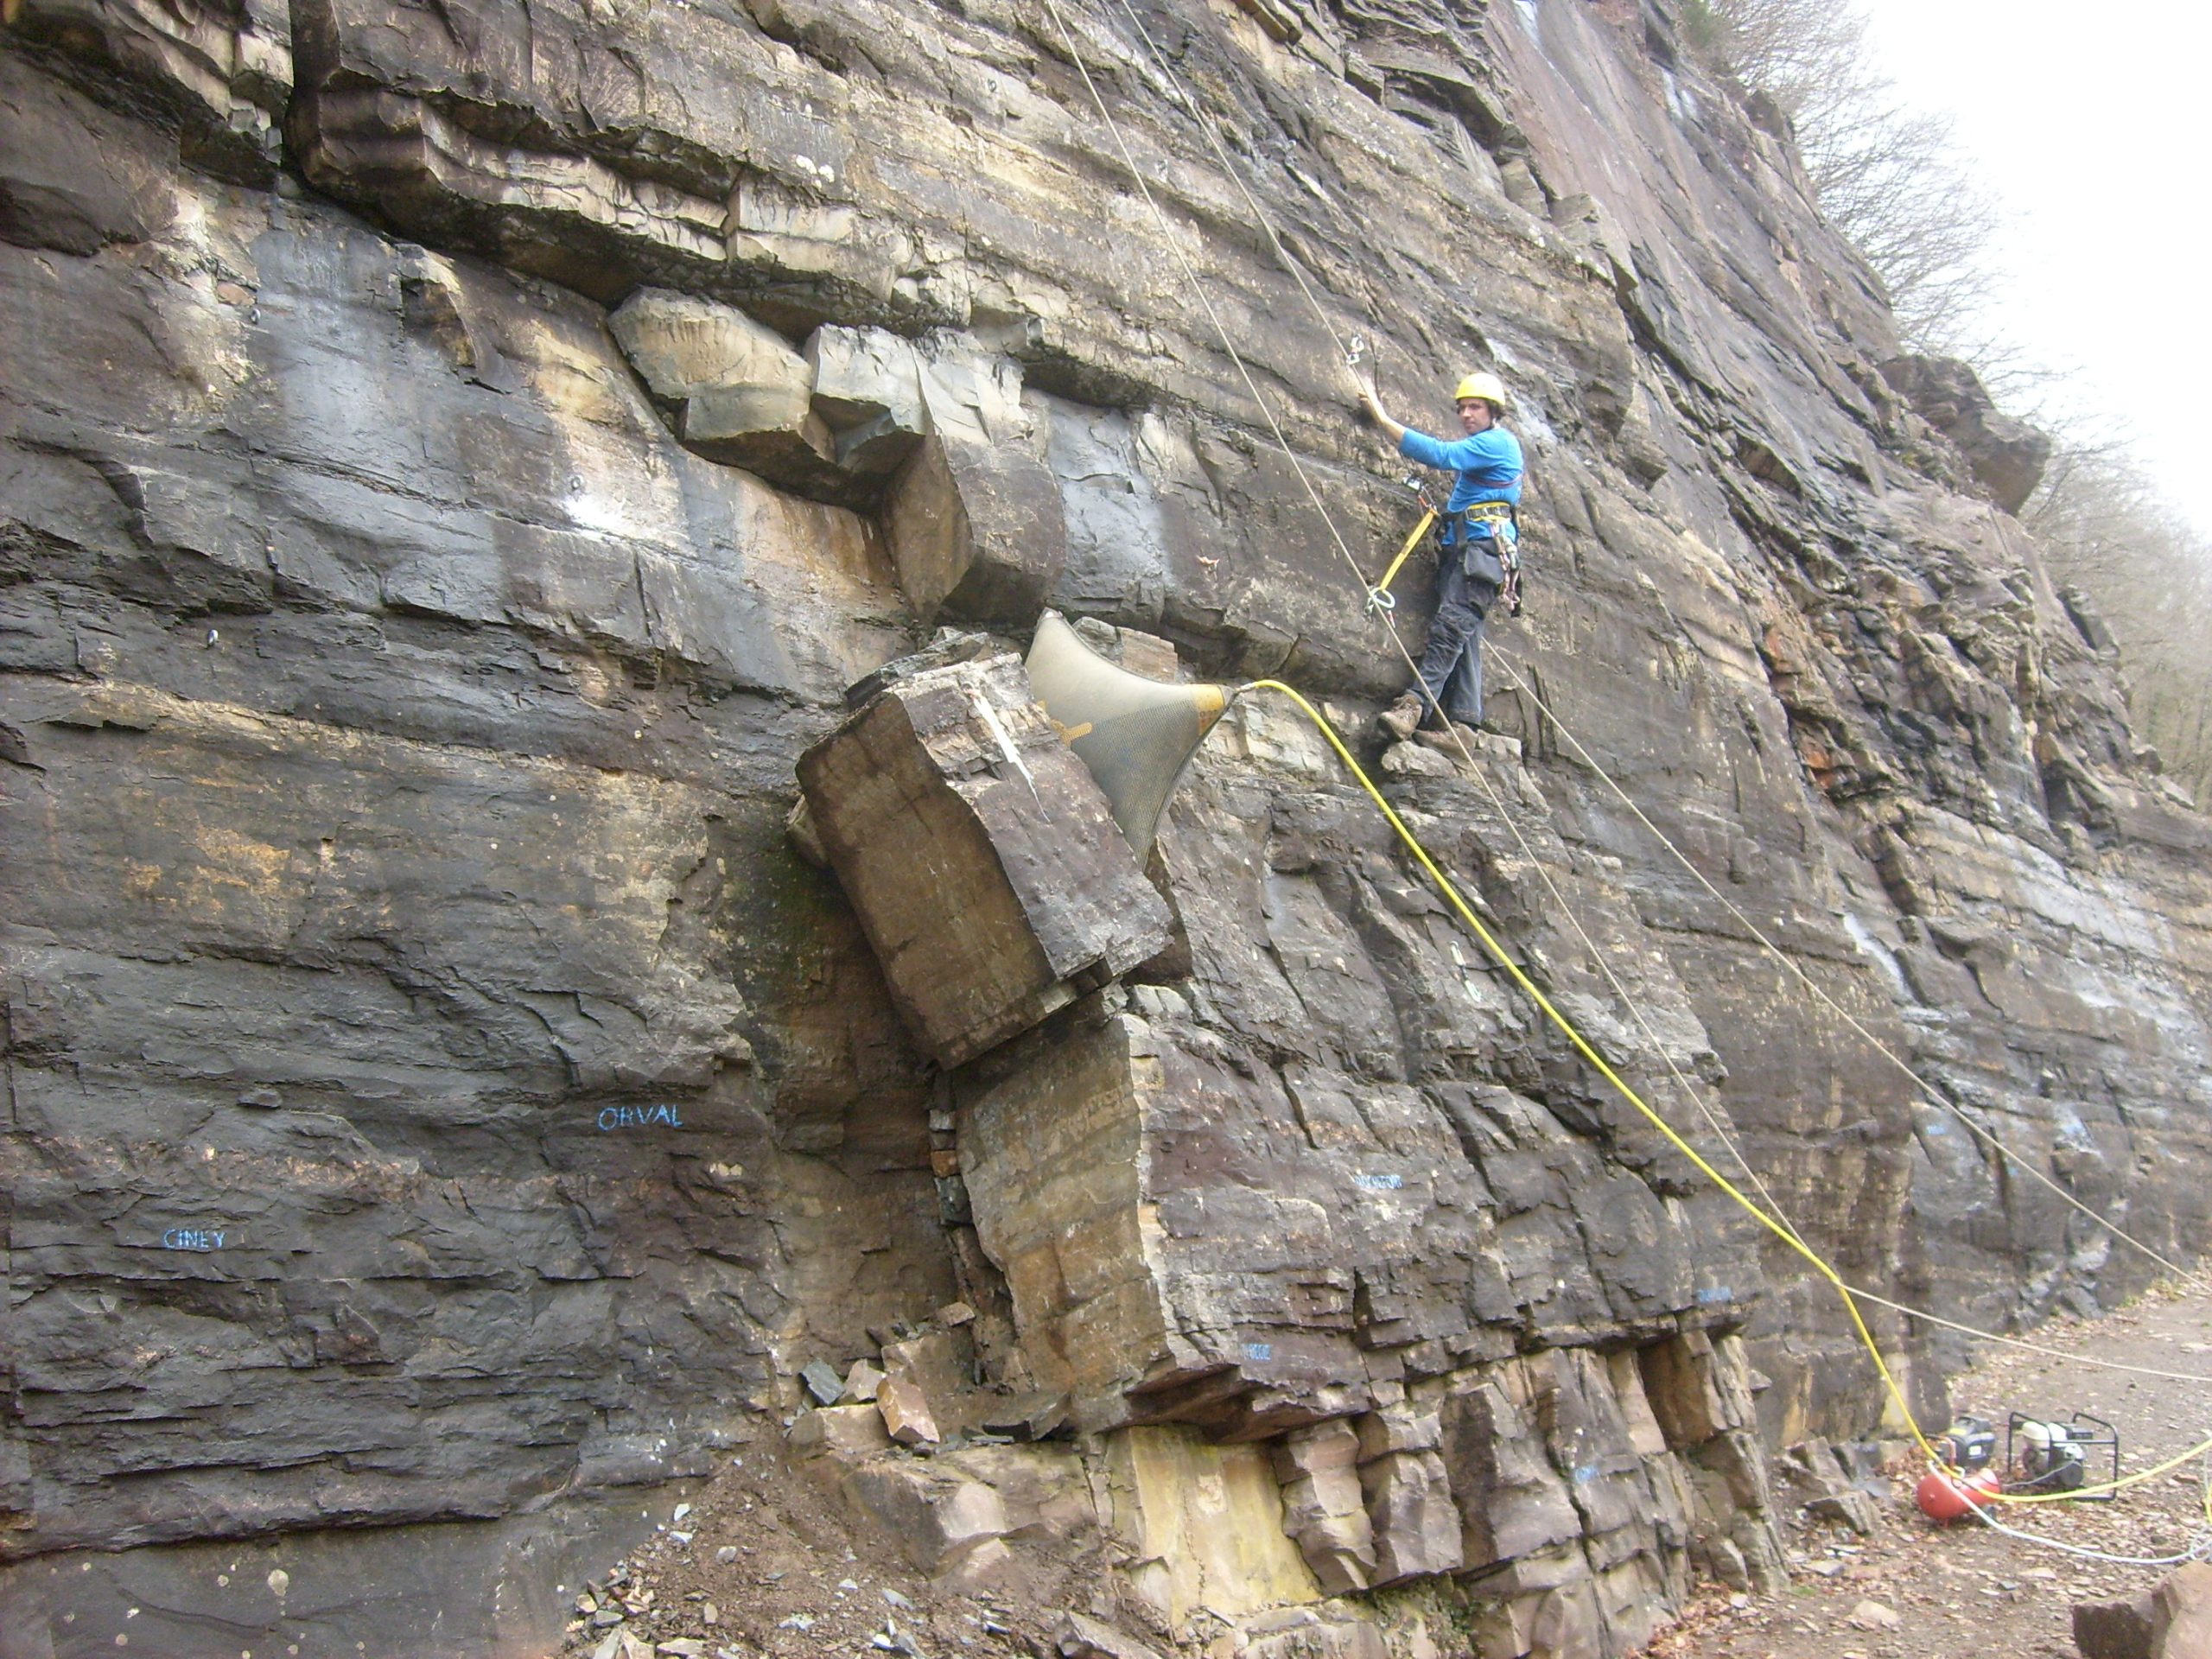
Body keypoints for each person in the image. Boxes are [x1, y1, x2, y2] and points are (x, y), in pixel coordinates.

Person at [1357, 372, 1524, 742]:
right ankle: (1464, 728)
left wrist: (1383, 419)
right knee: (1465, 637)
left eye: (1475, 407)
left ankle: (1414, 706)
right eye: (1462, 408)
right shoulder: (1485, 452)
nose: (1467, 414)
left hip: (1481, 554)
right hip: (1468, 553)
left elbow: (1442, 455)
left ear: (1493, 411)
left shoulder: (1498, 443)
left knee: (1451, 630)